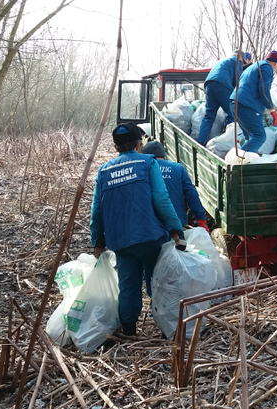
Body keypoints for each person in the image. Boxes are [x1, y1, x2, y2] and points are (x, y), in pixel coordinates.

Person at [90, 123, 183, 336]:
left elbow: (97, 209)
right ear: (138, 145)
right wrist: (176, 229)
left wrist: (97, 240)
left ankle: (130, 330)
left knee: (128, 283)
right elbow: (161, 198)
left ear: (115, 147)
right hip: (149, 235)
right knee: (157, 280)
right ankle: (165, 326)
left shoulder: (104, 172)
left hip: (120, 240)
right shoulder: (148, 163)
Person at [141, 141, 209, 231]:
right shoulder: (177, 168)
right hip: (177, 223)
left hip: (152, 226)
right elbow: (192, 194)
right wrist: (201, 219)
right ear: (163, 154)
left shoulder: (142, 171)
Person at [230, 50, 277, 153]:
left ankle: (247, 159)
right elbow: (264, 90)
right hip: (246, 105)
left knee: (250, 137)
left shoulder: (254, 67)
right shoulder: (267, 67)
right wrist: (272, 110)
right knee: (259, 136)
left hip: (234, 103)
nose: (276, 69)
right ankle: (239, 163)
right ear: (276, 63)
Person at [197, 51, 250, 146]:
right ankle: (228, 142)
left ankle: (200, 142)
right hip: (222, 85)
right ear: (241, 57)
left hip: (209, 85)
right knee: (231, 114)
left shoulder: (223, 61)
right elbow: (238, 81)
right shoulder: (237, 61)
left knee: (209, 116)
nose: (243, 65)